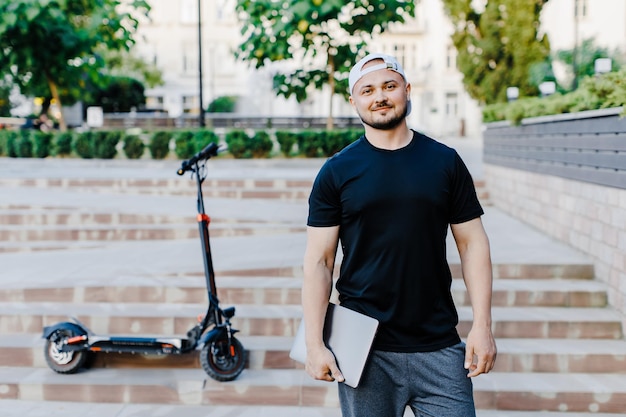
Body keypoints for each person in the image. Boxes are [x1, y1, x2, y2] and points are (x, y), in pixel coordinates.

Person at [301, 53, 497, 417]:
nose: (380, 96)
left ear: (407, 90)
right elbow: (319, 262)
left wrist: (482, 326)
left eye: (389, 86)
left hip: (439, 345)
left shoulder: (445, 161)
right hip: (362, 348)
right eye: (368, 90)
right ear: (354, 101)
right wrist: (315, 343)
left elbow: (473, 244)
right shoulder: (336, 172)